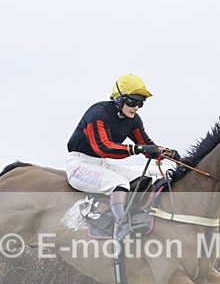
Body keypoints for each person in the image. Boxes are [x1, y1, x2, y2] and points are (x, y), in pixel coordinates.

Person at [66, 74, 178, 241]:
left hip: (101, 164)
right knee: (120, 184)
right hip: (79, 164)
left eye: (141, 103)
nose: (136, 107)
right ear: (119, 99)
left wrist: (168, 153)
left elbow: (147, 146)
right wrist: (136, 149)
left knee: (142, 180)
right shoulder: (98, 113)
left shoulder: (133, 120)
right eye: (133, 102)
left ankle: (135, 218)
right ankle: (120, 226)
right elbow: (103, 147)